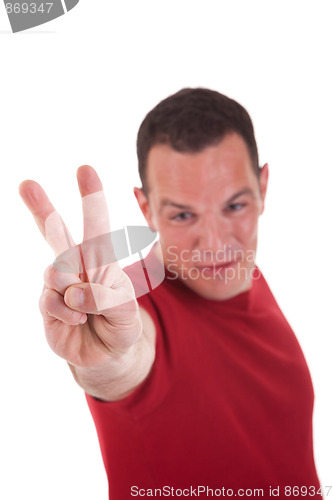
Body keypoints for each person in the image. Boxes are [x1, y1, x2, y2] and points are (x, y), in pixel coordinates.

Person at [19, 88, 322, 499]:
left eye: (234, 206)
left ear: (262, 187)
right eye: (183, 214)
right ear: (146, 209)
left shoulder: (245, 276)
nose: (214, 241)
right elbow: (126, 362)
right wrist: (108, 357)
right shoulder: (123, 308)